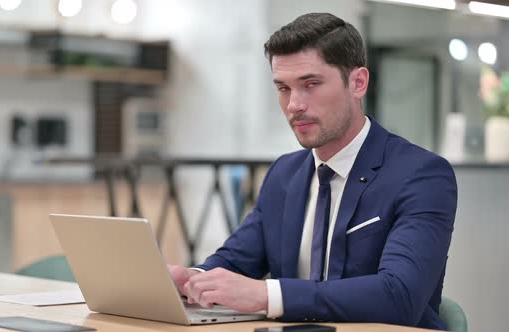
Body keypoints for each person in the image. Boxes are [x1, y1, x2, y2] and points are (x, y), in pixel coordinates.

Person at [168, 12, 457, 330]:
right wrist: (191, 279)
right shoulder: (284, 174)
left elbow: (398, 295)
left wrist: (268, 295)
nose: (294, 104)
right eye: (283, 88)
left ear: (358, 83)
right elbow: (235, 261)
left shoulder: (422, 175)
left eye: (311, 84)